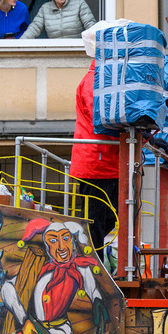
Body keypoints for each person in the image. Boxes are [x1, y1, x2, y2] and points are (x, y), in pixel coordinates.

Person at [72, 61, 120, 260]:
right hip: (97, 162)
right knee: (95, 222)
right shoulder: (94, 80)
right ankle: (93, 267)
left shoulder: (103, 80)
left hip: (105, 161)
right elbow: (100, 118)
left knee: (103, 218)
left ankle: (94, 265)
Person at [21, 0, 96, 39]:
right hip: (55, 50)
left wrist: (98, 39)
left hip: (76, 48)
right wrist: (20, 43)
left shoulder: (79, 4)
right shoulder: (45, 8)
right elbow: (34, 28)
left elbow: (90, 25)